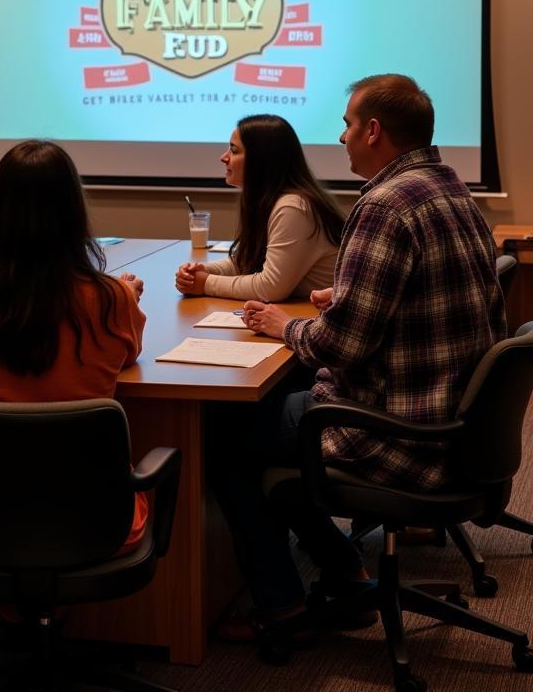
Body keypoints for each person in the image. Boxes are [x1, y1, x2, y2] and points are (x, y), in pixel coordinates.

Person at [214, 75, 507, 638]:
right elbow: (418, 297)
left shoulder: (384, 205)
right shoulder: (450, 188)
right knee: (267, 423)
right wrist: (342, 300)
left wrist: (286, 324)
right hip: (450, 417)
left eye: (348, 125)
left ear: (374, 131)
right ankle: (344, 573)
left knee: (226, 438)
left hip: (400, 428)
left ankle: (281, 607)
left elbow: (340, 348)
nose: (342, 136)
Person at [0, 140, 148, 553]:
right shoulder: (111, 298)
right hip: (98, 521)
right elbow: (127, 355)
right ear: (74, 212)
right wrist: (125, 297)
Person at [175, 114, 343, 301]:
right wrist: (203, 271)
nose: (224, 157)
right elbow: (248, 262)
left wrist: (206, 283)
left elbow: (270, 288)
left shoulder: (293, 208)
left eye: (234, 150)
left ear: (261, 160)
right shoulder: (272, 201)